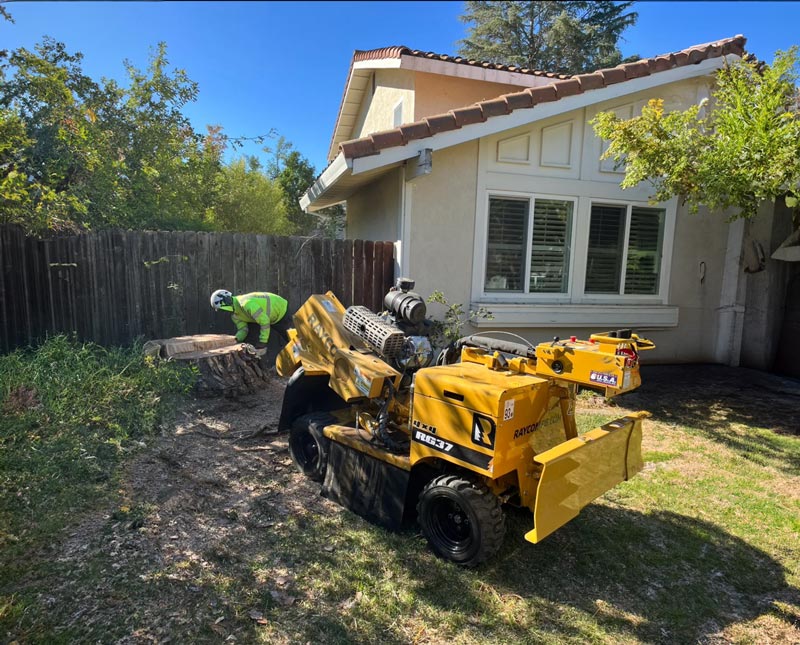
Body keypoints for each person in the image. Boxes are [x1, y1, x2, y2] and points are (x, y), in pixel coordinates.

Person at [210, 289, 291, 360]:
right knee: (250, 341)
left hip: (280, 310)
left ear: (226, 301)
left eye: (221, 308)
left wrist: (263, 342)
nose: (223, 311)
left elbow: (264, 322)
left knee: (292, 339)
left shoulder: (246, 304)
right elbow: (243, 330)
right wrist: (235, 340)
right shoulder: (235, 316)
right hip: (266, 318)